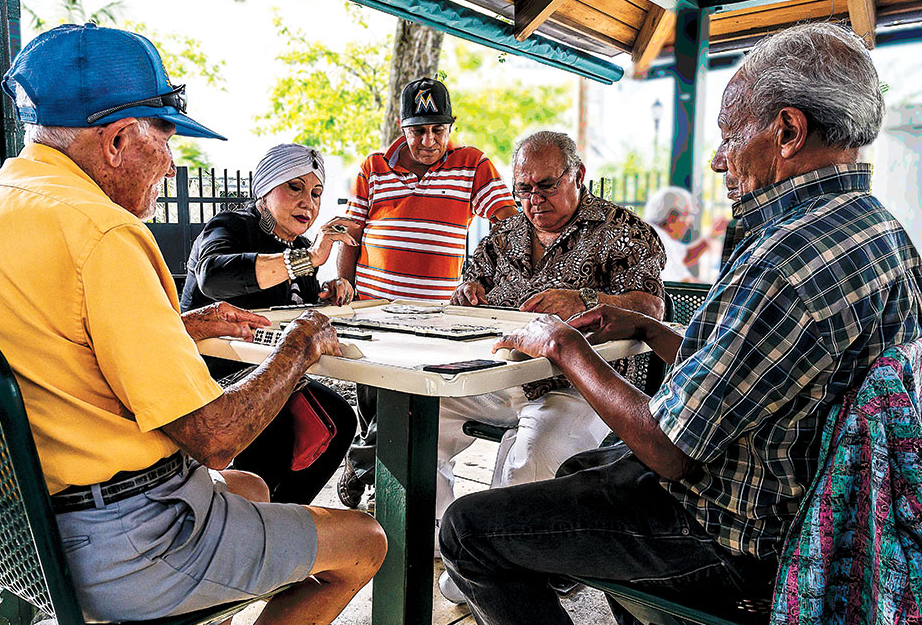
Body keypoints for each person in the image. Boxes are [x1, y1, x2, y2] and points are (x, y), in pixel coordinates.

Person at [439, 22, 922, 625]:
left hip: (735, 540)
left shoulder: (784, 256)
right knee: (586, 465)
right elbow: (758, 366)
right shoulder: (880, 234)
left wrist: (564, 344)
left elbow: (669, 445)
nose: (721, 159)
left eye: (730, 135)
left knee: (469, 532)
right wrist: (648, 332)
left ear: (786, 130)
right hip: (813, 515)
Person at [0, 24, 386, 625]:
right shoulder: (102, 231)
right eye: (164, 136)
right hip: (116, 549)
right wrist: (298, 350)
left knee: (252, 487)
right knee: (365, 541)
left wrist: (178, 324)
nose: (171, 160)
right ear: (116, 140)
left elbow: (46, 337)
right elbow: (215, 437)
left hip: (3, 535)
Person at [439, 129, 665, 535]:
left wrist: (585, 298)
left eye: (546, 185)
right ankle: (439, 539)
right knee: (418, 420)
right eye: (523, 188)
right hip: (497, 374)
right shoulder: (504, 235)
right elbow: (468, 285)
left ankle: (495, 565)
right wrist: (466, 292)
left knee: (533, 460)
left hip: (579, 384)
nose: (533, 199)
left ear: (578, 175)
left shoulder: (624, 231)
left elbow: (652, 306)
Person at [336, 76, 518, 508]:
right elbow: (350, 233)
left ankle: (369, 467)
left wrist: (485, 276)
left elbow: (509, 223)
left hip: (436, 315)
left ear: (450, 128)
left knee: (414, 401)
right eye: (419, 130)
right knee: (376, 400)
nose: (429, 140)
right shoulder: (373, 167)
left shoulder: (471, 163)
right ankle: (373, 466)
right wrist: (345, 285)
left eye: (438, 129)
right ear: (403, 128)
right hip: (373, 308)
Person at [180, 143, 357, 505]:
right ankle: (252, 529)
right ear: (264, 188)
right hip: (213, 376)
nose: (308, 202)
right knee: (273, 433)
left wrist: (327, 292)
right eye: (294, 187)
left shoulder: (302, 247)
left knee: (340, 418)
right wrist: (306, 259)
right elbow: (212, 277)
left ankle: (285, 516)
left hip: (276, 373)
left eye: (316, 193)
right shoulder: (229, 225)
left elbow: (295, 308)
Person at [642, 186, 728, 282]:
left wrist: (712, 235)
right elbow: (681, 280)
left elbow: (686, 256)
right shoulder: (658, 239)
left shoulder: (654, 233)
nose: (690, 222)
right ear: (672, 217)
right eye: (687, 215)